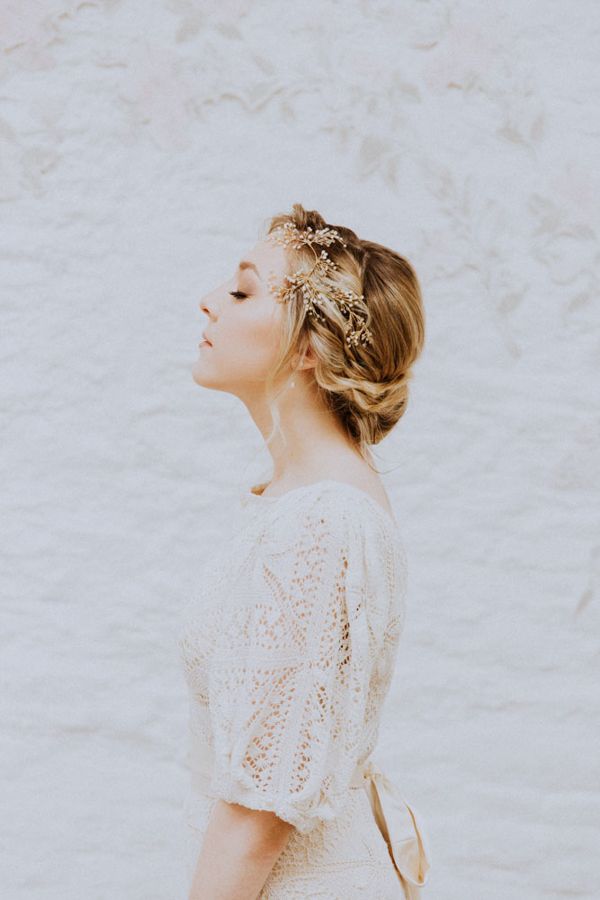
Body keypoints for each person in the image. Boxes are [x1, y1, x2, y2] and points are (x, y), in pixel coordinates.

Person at [178, 204, 431, 899]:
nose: (207, 301)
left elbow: (258, 814)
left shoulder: (323, 524)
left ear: (307, 348)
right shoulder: (299, 503)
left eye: (242, 290)